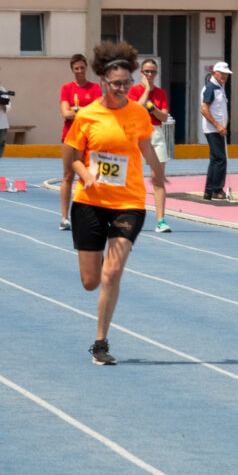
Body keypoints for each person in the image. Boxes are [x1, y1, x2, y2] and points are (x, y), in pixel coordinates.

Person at [63, 40, 167, 365]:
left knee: (112, 273)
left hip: (129, 202)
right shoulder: (87, 116)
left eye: (127, 83)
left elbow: (146, 148)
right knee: (91, 281)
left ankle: (100, 344)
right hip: (90, 203)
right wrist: (86, 174)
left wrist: (159, 173)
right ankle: (99, 326)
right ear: (104, 82)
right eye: (117, 83)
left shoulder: (138, 114)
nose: (123, 88)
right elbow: (71, 161)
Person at [128, 58, 173, 231]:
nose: (149, 74)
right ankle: (131, 217)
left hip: (156, 133)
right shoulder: (134, 90)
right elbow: (135, 110)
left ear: (156, 73)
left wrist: (152, 108)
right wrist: (146, 90)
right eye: (146, 71)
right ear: (141, 73)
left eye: (152, 71)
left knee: (158, 179)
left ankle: (161, 220)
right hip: (138, 133)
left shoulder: (161, 93)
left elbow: (163, 117)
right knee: (134, 178)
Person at [58, 54, 102, 231]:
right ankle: (64, 217)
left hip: (91, 138)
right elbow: (65, 113)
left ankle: (91, 214)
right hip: (70, 136)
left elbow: (97, 112)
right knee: (68, 176)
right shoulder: (67, 88)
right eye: (76, 68)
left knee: (91, 176)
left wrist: (76, 110)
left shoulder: (95, 88)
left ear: (86, 68)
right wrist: (84, 110)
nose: (79, 71)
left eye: (82, 68)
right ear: (72, 70)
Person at [201, 61, 231, 200]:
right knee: (220, 159)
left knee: (216, 159)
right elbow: (204, 110)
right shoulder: (211, 87)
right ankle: (216, 189)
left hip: (218, 129)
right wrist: (218, 125)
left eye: (226, 74)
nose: (225, 76)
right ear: (215, 73)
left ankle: (210, 190)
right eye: (222, 73)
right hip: (213, 129)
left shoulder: (220, 86)